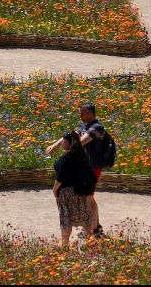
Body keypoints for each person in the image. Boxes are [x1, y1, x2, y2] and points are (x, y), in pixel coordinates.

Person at [46, 103, 107, 238]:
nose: (80, 116)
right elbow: (71, 135)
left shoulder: (97, 128)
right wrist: (55, 145)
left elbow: (78, 141)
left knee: (89, 196)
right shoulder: (84, 126)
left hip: (93, 167)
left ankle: (96, 229)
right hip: (85, 166)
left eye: (82, 113)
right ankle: (92, 228)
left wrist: (66, 145)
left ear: (91, 114)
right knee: (87, 197)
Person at [53, 131, 97, 246]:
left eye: (63, 141)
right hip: (80, 191)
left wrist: (54, 191)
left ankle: (64, 245)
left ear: (70, 143)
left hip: (66, 192)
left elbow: (60, 179)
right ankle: (91, 240)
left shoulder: (66, 159)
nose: (62, 143)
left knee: (66, 217)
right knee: (84, 215)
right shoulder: (83, 155)